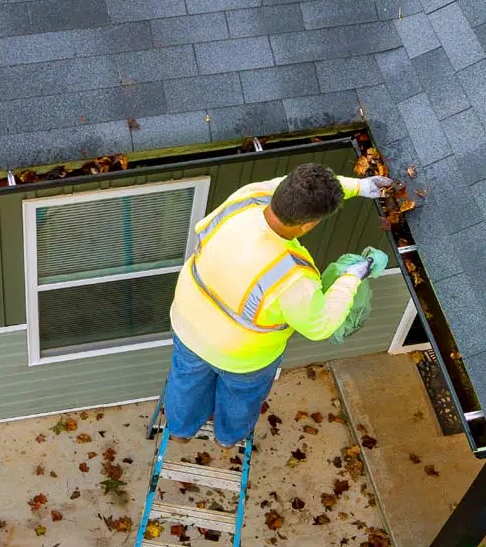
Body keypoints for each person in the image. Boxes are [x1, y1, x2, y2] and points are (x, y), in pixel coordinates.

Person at [163, 162, 392, 448]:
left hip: (188, 323)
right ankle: (227, 438)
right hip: (242, 357)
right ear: (308, 224)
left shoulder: (247, 197)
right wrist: (351, 276)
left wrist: (360, 186)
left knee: (186, 382)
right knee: (239, 399)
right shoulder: (292, 276)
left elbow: (295, 187)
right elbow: (320, 326)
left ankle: (180, 431)